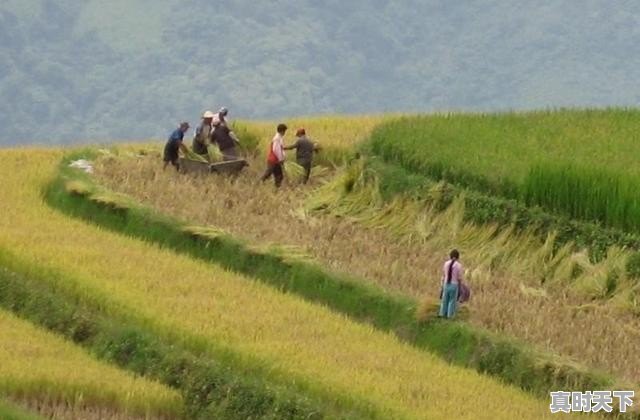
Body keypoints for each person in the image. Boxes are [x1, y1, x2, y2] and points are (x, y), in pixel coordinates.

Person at [261, 123, 287, 187]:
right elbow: (276, 150)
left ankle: (277, 188)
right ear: (282, 131)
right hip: (273, 160)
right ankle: (259, 183)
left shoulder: (279, 138)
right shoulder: (277, 138)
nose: (285, 133)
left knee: (279, 175)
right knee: (268, 174)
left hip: (275, 160)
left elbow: (280, 150)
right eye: (284, 131)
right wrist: (281, 159)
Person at [439, 249, 463, 319]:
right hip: (454, 284)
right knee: (452, 301)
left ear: (450, 256)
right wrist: (460, 287)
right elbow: (459, 278)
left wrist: (442, 284)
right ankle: (449, 316)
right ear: (458, 257)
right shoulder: (459, 265)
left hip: (446, 283)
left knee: (444, 299)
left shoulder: (446, 263)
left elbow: (443, 275)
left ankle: (442, 314)